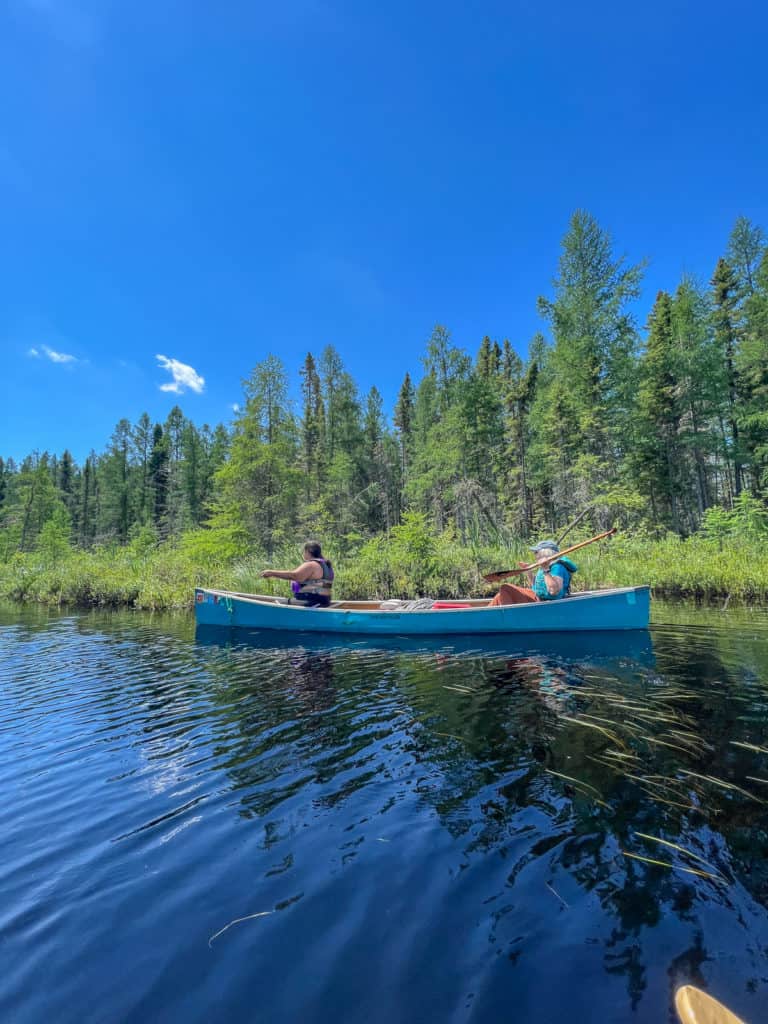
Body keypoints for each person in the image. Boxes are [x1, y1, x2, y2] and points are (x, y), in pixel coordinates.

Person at [488, 539, 576, 606]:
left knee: (506, 588)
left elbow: (554, 591)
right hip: (538, 598)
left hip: (547, 603)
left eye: (536, 552)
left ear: (545, 553)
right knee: (500, 596)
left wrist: (545, 569)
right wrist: (528, 571)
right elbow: (536, 586)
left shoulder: (557, 567)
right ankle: (486, 613)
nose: (535, 554)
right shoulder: (545, 566)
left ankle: (507, 617)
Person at [260, 541, 335, 608]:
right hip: (324, 602)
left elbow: (295, 576)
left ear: (308, 551)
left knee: (276, 603)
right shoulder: (327, 565)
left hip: (311, 602)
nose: (303, 554)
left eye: (304, 551)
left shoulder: (311, 564)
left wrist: (271, 573)